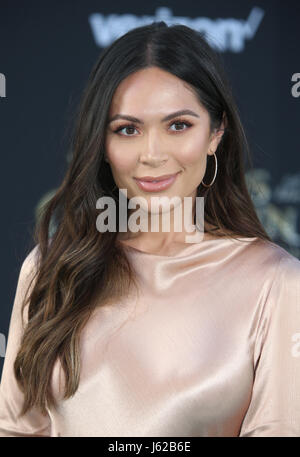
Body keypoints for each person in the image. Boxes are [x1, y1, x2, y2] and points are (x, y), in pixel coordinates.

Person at [0, 21, 300, 438]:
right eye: (128, 129)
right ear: (102, 145)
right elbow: (15, 429)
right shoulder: (50, 268)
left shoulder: (276, 283)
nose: (152, 155)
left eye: (178, 125)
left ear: (216, 133)